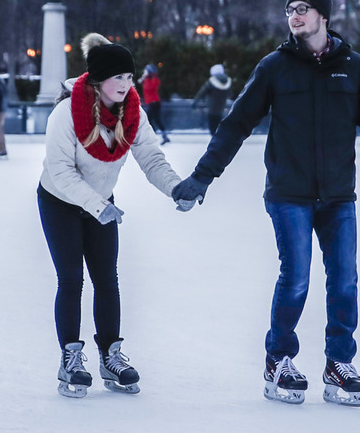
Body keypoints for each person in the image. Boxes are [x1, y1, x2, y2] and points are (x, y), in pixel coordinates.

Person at [171, 0, 360, 408]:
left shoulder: (354, 68)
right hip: (288, 193)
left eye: (304, 9)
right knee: (296, 277)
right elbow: (236, 123)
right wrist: (203, 177)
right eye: (290, 10)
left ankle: (339, 362)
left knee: (345, 280)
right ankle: (278, 360)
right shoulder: (274, 67)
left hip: (338, 195)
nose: (295, 16)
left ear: (324, 17)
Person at [38, 33, 184, 398]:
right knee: (71, 279)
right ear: (99, 80)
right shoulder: (66, 113)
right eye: (117, 77)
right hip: (60, 201)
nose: (125, 84)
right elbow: (60, 171)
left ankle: (110, 355)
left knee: (107, 279)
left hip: (102, 202)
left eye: (129, 77)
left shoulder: (132, 112)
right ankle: (70, 357)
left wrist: (176, 188)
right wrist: (100, 207)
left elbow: (151, 157)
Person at [191, 63, 233, 134]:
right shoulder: (227, 82)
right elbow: (230, 94)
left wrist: (195, 102)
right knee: (219, 127)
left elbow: (201, 92)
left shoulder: (211, 82)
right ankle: (219, 142)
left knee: (212, 128)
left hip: (211, 108)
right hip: (221, 108)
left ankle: (215, 143)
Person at [138, 64, 171, 145]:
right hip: (150, 103)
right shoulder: (147, 79)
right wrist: (144, 77)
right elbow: (140, 83)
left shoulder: (154, 79)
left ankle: (156, 137)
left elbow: (148, 88)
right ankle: (160, 137)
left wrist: (145, 78)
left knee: (153, 120)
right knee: (152, 120)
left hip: (154, 103)